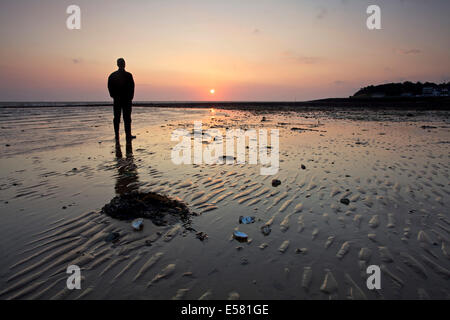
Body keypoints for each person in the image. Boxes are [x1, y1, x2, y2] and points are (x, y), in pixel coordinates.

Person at [108, 58, 136, 140]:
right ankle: (118, 135)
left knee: (125, 118)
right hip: (120, 99)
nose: (123, 64)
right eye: (122, 63)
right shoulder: (113, 75)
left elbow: (132, 87)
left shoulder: (128, 75)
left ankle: (126, 135)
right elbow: (110, 87)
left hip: (125, 99)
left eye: (123, 63)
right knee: (119, 118)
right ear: (120, 64)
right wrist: (113, 96)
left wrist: (130, 97)